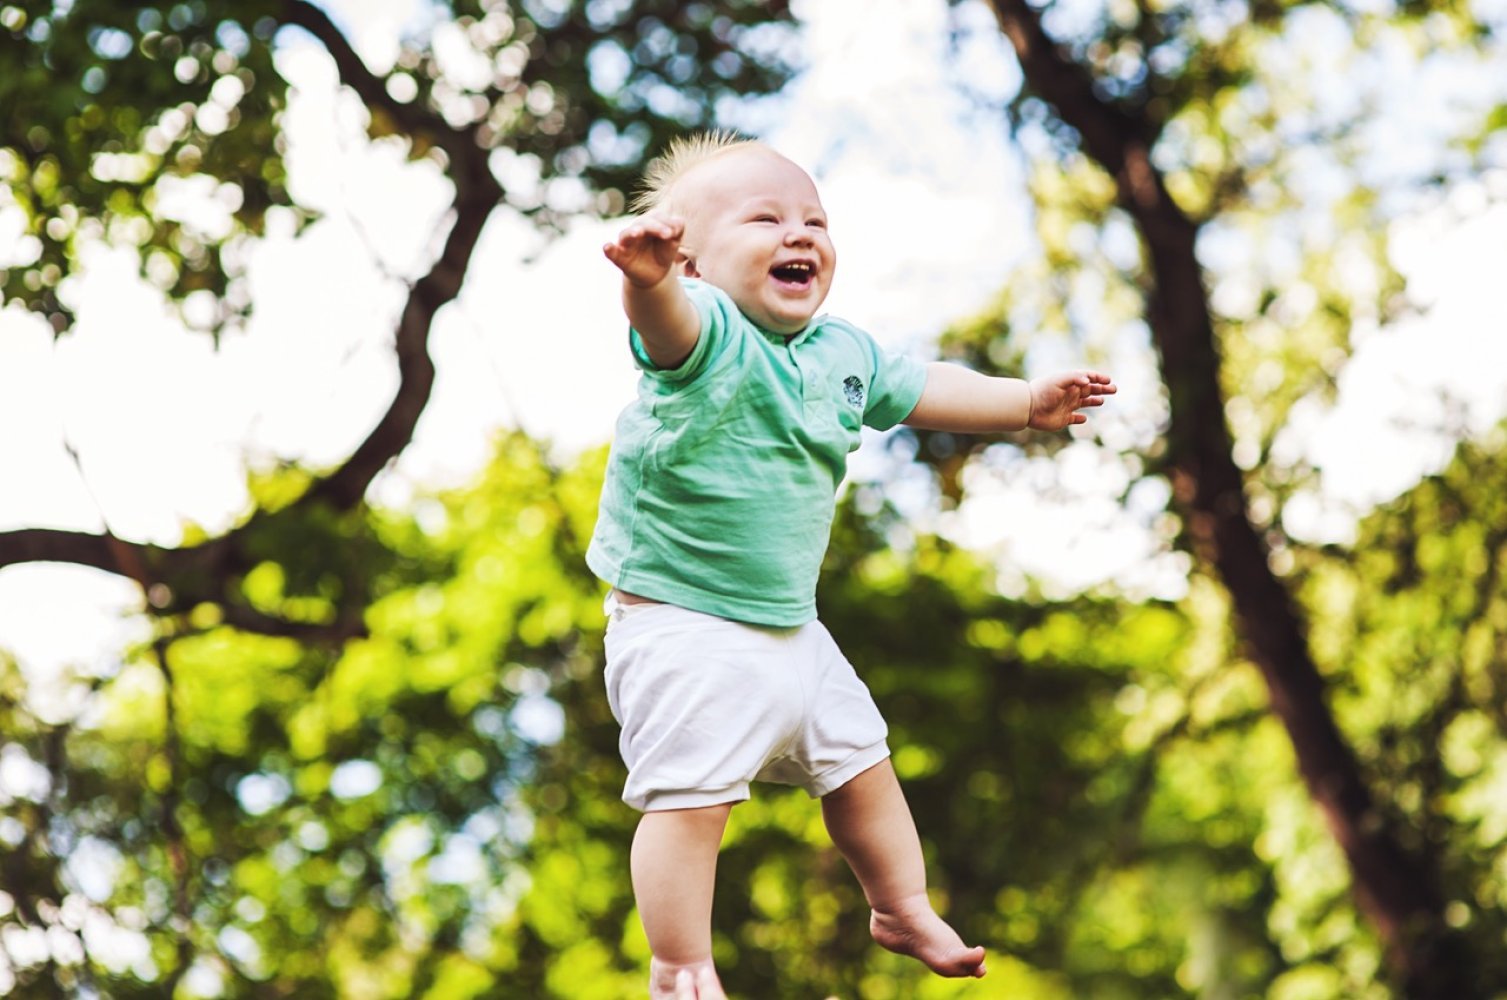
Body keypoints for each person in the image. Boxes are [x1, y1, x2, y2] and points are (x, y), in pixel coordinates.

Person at [588, 131, 1116, 999]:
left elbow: (926, 388)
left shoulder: (842, 353)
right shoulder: (706, 331)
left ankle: (900, 905)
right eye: (765, 219)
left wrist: (1025, 403)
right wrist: (645, 283)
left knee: (862, 764)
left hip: (792, 628)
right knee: (691, 802)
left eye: (814, 221)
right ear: (693, 260)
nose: (800, 235)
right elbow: (666, 325)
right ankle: (679, 962)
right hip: (683, 625)